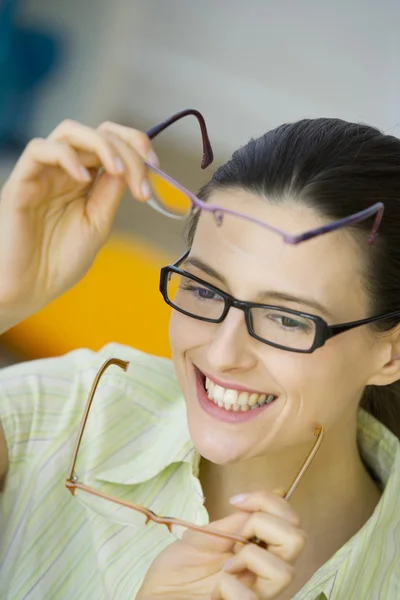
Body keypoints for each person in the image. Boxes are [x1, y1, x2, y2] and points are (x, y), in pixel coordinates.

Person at [0, 114, 399, 600]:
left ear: (391, 354)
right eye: (206, 289)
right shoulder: (67, 411)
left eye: (289, 319)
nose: (221, 352)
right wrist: (5, 297)